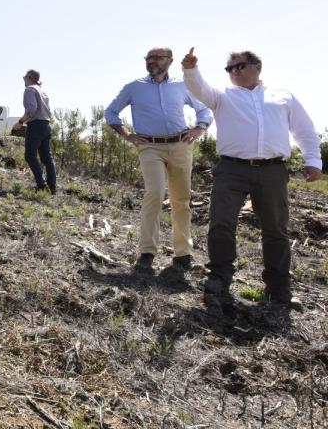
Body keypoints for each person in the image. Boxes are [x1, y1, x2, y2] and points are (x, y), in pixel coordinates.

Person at [183, 48, 322, 309]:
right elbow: (197, 88)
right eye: (230, 68)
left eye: (239, 66)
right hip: (231, 170)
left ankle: (279, 288)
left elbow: (303, 129)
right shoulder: (222, 96)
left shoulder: (282, 96)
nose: (234, 72)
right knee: (222, 223)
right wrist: (190, 69)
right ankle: (219, 278)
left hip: (272, 171)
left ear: (258, 66)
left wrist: (313, 161)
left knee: (276, 229)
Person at [105, 48, 212, 271]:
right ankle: (147, 251)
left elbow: (204, 110)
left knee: (181, 199)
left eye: (157, 58)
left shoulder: (182, 85)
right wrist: (127, 135)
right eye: (148, 58)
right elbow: (111, 112)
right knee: (154, 193)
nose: (151, 62)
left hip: (180, 145)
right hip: (149, 146)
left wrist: (199, 128)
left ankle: (183, 253)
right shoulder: (134, 87)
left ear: (169, 61)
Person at [11, 70, 56, 194]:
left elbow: (32, 109)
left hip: (36, 125)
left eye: (24, 77)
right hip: (46, 125)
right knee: (47, 158)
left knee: (30, 155)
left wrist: (20, 122)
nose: (24, 79)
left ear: (30, 77)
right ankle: (52, 187)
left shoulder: (30, 89)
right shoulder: (43, 91)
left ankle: (42, 185)